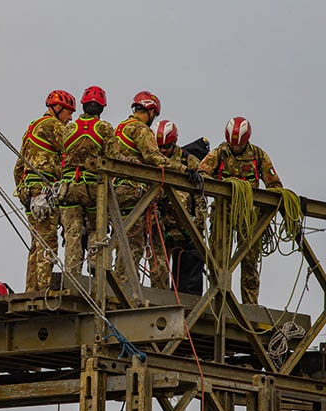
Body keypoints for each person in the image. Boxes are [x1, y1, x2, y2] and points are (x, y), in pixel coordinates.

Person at [106, 91, 200, 285]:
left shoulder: (119, 128)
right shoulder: (141, 130)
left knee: (122, 241)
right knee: (135, 245)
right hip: (134, 195)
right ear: (150, 111)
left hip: (115, 194)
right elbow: (154, 158)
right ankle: (128, 288)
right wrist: (183, 169)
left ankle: (120, 284)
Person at [198, 116, 282, 304]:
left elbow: (274, 184)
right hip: (223, 214)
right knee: (219, 260)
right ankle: (219, 301)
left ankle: (250, 305)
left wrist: (269, 207)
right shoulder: (219, 153)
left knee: (250, 261)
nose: (235, 149)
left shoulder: (258, 155)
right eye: (233, 145)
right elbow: (201, 172)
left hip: (249, 216)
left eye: (238, 145)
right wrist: (217, 187)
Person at [14, 90, 75, 292]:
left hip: (29, 189)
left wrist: (24, 192)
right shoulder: (53, 125)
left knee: (36, 242)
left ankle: (32, 288)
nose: (70, 117)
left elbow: (17, 168)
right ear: (57, 109)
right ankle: (44, 289)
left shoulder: (31, 128)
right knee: (48, 241)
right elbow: (72, 147)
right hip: (43, 188)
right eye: (68, 112)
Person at [60, 86, 114, 276]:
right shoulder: (104, 128)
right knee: (95, 227)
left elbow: (63, 155)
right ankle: (95, 262)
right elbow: (112, 158)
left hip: (69, 186)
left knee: (72, 232)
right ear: (102, 108)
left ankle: (72, 273)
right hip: (93, 188)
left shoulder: (68, 128)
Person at [149, 120, 206, 295]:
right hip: (161, 225)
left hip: (185, 229)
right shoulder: (153, 159)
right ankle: (159, 302)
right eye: (160, 147)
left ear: (174, 143)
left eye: (166, 147)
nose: (163, 151)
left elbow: (201, 195)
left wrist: (199, 226)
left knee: (188, 278)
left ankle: (188, 308)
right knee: (158, 272)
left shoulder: (188, 161)